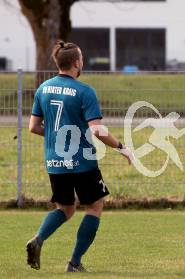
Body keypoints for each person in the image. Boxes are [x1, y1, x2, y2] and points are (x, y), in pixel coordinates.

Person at [26, 41, 133, 272]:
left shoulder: (43, 88)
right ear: (76, 63)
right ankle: (74, 262)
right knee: (94, 206)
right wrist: (121, 147)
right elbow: (97, 130)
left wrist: (56, 135)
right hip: (82, 161)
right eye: (81, 59)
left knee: (65, 209)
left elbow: (33, 127)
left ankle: (39, 238)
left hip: (54, 161)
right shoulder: (85, 91)